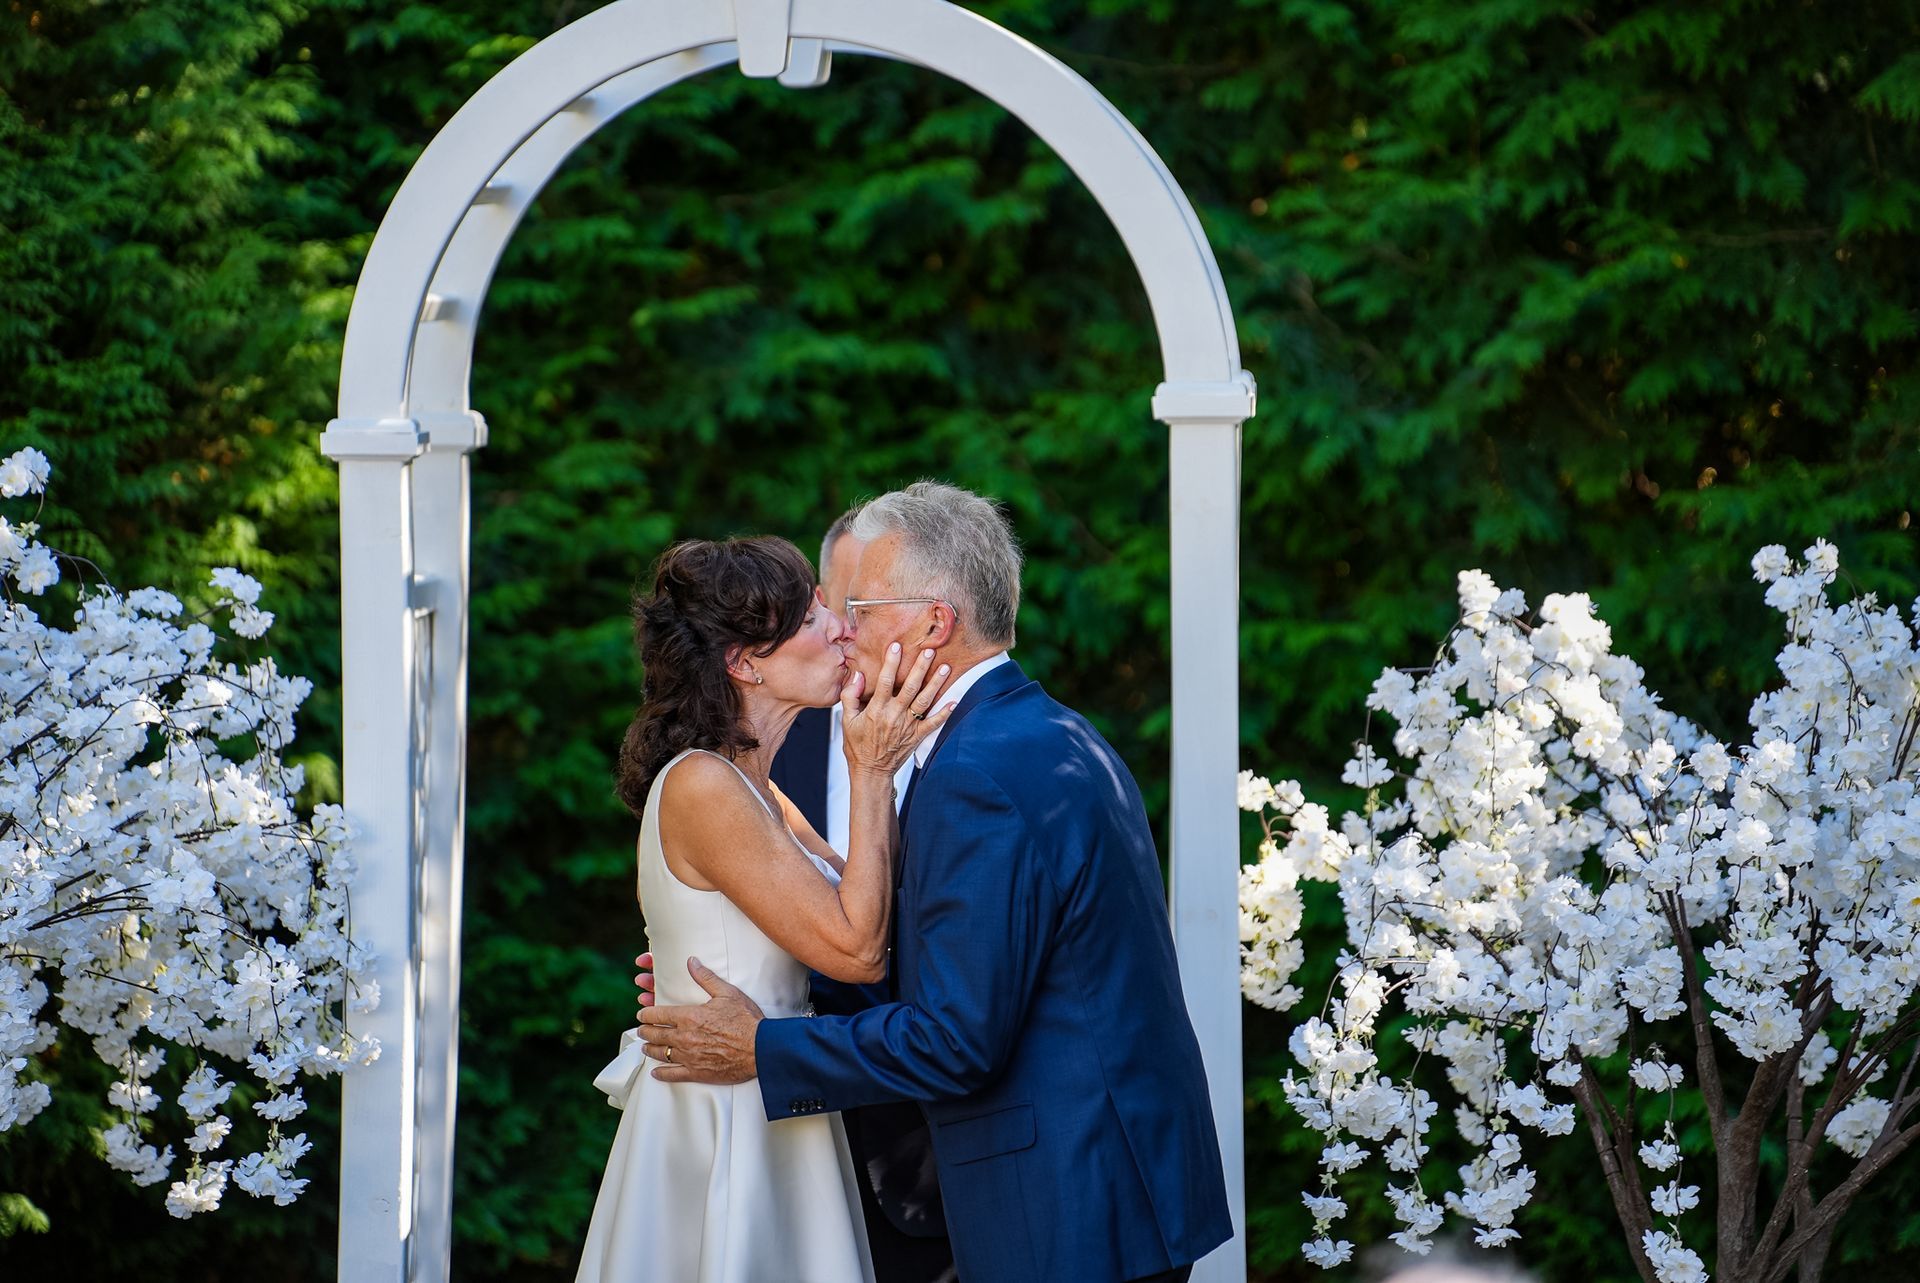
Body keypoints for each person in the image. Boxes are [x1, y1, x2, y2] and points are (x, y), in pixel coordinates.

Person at [636, 483, 1233, 1283]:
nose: (843, 629)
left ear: (932, 624)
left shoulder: (977, 768)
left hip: (1071, 1203)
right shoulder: (1044, 731)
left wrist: (763, 1044)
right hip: (1107, 1185)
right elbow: (945, 952)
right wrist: (754, 971)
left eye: (859, 607)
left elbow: (957, 1038)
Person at [577, 536, 954, 1283]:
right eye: (815, 616)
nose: (842, 626)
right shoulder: (703, 786)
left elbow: (866, 906)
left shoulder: (757, 789)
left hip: (776, 1095)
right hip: (724, 1114)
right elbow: (856, 947)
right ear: (745, 662)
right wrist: (871, 768)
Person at [769, 508, 958, 1281]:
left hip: (946, 1152)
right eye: (841, 607)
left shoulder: (975, 733)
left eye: (870, 612)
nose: (850, 632)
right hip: (795, 1127)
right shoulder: (769, 745)